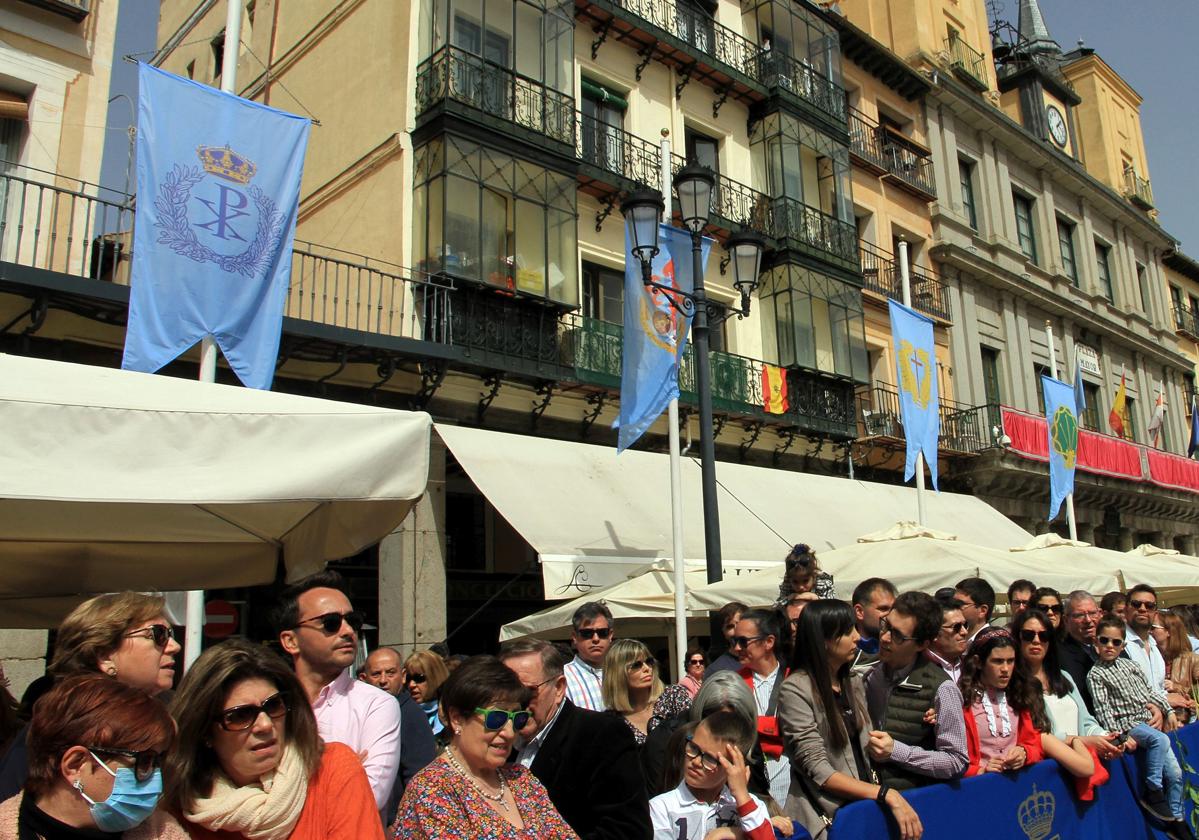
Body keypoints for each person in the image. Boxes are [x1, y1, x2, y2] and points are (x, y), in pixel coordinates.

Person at [163, 638, 385, 840]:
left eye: (273, 705)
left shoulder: (332, 768)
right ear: (204, 732)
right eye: (241, 715)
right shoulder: (180, 808)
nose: (265, 725)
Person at [0, 592, 182, 800]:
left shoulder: (169, 715)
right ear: (104, 654)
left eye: (171, 635)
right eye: (158, 635)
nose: (174, 647)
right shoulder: (58, 727)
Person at [778, 600, 921, 840]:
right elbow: (818, 770)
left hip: (864, 812)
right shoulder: (795, 689)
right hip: (825, 819)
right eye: (847, 631)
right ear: (824, 640)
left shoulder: (854, 681)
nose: (857, 637)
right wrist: (885, 793)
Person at [392, 656, 577, 839]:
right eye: (496, 718)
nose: (510, 732)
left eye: (517, 719)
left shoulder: (522, 780)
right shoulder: (432, 789)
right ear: (457, 718)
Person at [272, 571, 401, 813]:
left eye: (353, 620)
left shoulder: (376, 704)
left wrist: (283, 792)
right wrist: (345, 773)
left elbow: (368, 799)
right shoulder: (269, 705)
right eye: (330, 623)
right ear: (291, 641)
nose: (348, 631)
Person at [0, 674, 187, 840]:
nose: (156, 781)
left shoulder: (162, 833)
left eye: (158, 762)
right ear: (75, 764)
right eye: (144, 761)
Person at [498, 639, 651, 840]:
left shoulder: (600, 735)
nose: (517, 703)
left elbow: (628, 830)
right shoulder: (497, 741)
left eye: (528, 691)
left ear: (559, 688)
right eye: (506, 693)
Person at [958, 629, 1097, 786]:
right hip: (977, 789)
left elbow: (1034, 743)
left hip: (1017, 786)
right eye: (997, 661)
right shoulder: (962, 700)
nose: (1005, 669)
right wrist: (979, 770)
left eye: (1010, 661)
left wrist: (1024, 753)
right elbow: (953, 759)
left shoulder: (1018, 696)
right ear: (978, 662)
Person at [863, 591, 968, 790]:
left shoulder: (942, 689)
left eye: (898, 636)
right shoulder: (869, 677)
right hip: (871, 799)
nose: (885, 638)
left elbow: (956, 761)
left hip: (916, 802)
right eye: (885, 625)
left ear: (923, 644)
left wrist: (896, 751)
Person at [1086, 615, 1184, 827]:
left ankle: (1177, 819)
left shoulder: (1131, 666)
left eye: (1115, 642)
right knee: (1160, 740)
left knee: (1176, 774)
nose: (1110, 646)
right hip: (1129, 725)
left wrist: (1169, 711)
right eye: (1104, 640)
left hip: (1146, 719)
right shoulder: (1096, 674)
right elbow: (1103, 711)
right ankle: (1152, 789)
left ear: (1123, 645)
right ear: (1096, 643)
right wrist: (1120, 736)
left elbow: (1150, 693)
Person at [640, 673, 770, 801]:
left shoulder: (746, 740)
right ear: (700, 712)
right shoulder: (666, 740)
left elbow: (760, 795)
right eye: (717, 723)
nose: (725, 732)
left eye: (732, 724)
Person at [1011, 609, 1121, 760]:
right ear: (1017, 638)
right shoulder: (1013, 683)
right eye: (1028, 635)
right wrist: (1085, 742)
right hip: (1051, 768)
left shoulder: (1064, 676)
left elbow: (1086, 722)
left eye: (1043, 635)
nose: (1036, 640)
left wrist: (1105, 738)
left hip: (1084, 761)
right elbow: (1040, 736)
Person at [648, 712, 776, 840]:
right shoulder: (661, 808)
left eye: (709, 758)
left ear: (733, 767)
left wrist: (741, 796)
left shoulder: (751, 807)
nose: (696, 762)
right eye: (693, 748)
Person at [361, 648, 438, 825]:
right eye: (376, 674)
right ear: (364, 679)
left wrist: (402, 825)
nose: (383, 680)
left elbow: (419, 778)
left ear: (403, 676)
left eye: (390, 673)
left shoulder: (411, 715)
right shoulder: (365, 711)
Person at [733, 609, 790, 807]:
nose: (736, 648)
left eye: (743, 641)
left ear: (769, 642)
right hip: (751, 780)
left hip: (792, 780)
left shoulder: (796, 679)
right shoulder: (733, 684)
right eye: (734, 642)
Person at [601, 640, 663, 746]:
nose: (647, 668)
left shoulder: (673, 698)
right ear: (618, 673)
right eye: (636, 665)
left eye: (649, 662)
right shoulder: (610, 723)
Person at [563, 603, 613, 711]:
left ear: (610, 635)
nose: (596, 639)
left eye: (602, 632)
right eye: (587, 633)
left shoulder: (624, 672)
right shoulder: (563, 678)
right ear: (574, 637)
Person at [1059, 591, 1102, 714]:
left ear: (1100, 614)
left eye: (1093, 613)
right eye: (1079, 615)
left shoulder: (1114, 645)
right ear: (1066, 620)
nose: (1088, 620)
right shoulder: (1059, 655)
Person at [1157, 612, 1199, 723]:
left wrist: (1176, 687)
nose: (1149, 631)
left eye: (1153, 627)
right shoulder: (1151, 659)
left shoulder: (1193, 660)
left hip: (1187, 722)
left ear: (1168, 631)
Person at [1124, 584, 1167, 690]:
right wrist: (1166, 700)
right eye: (1136, 604)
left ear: (1155, 614)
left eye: (1149, 606)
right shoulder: (1117, 643)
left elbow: (1158, 687)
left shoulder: (1154, 646)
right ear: (1125, 610)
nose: (1142, 609)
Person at [850, 579, 896, 674]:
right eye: (883, 609)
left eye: (893, 609)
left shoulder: (901, 651)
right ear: (859, 612)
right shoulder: (842, 654)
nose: (891, 615)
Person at [403, 650, 450, 737]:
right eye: (408, 678)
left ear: (436, 677)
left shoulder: (452, 713)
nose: (411, 684)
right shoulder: (401, 712)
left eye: (419, 678)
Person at [925, 595, 968, 684]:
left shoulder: (971, 666)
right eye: (957, 627)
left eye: (965, 625)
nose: (964, 632)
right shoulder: (918, 667)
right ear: (935, 632)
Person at [706, 603, 748, 677]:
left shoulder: (763, 662)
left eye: (739, 624)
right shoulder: (716, 671)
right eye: (730, 626)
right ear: (723, 632)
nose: (736, 631)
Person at [954, 578, 994, 642]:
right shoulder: (957, 638)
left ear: (982, 611)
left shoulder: (993, 642)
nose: (953, 607)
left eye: (960, 603)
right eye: (952, 602)